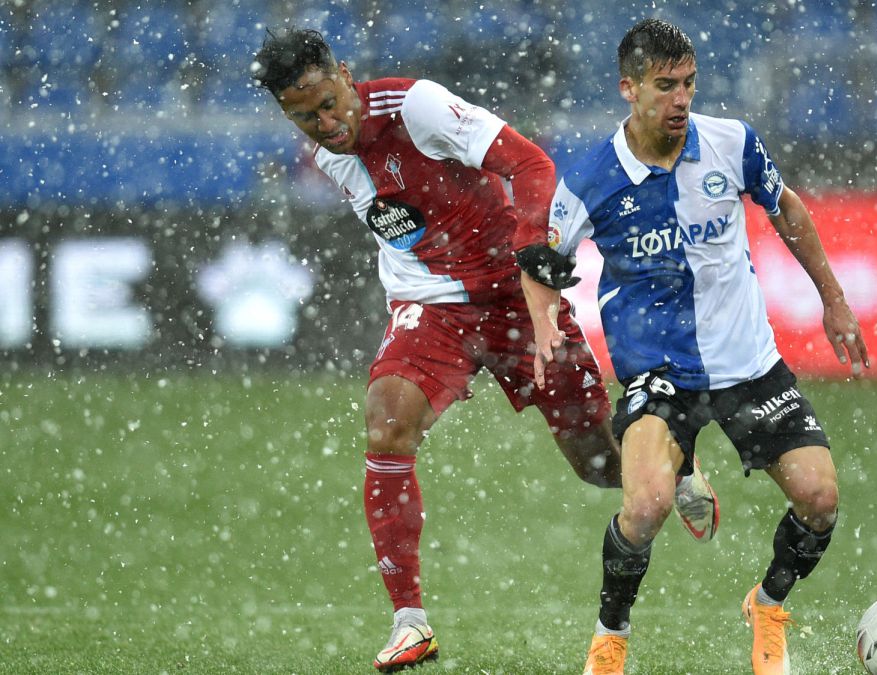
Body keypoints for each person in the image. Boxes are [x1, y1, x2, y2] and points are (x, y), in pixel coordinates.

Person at [250, 28, 719, 672]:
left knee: (599, 467)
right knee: (387, 423)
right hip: (431, 304)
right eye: (304, 116)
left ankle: (677, 462)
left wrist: (533, 245)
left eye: (330, 102)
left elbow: (531, 165)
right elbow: (403, 223)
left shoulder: (415, 107)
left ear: (345, 74)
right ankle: (409, 622)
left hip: (513, 296)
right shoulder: (332, 155)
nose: (325, 123)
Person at [518, 18, 870, 675]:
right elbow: (541, 263)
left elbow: (786, 207)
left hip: (748, 365)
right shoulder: (593, 177)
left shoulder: (732, 144)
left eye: (689, 84)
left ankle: (767, 605)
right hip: (657, 370)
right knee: (644, 505)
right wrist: (543, 325)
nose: (680, 99)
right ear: (629, 88)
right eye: (664, 86)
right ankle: (609, 636)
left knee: (820, 501)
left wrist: (834, 298)